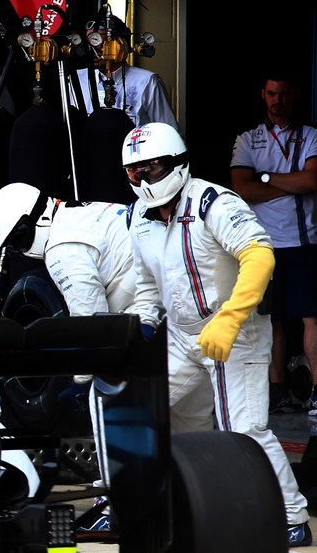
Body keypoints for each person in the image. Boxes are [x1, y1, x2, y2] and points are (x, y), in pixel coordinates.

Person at [123, 121, 311, 546]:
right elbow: (147, 288)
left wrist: (229, 317)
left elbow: (260, 255)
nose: (143, 178)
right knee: (134, 408)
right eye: (134, 171)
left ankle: (292, 516)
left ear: (176, 163)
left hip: (237, 330)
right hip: (181, 334)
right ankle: (176, 498)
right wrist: (140, 331)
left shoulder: (213, 201)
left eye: (151, 168)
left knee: (244, 431)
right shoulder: (138, 215)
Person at [0, 181, 137, 530]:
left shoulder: (61, 249)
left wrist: (81, 380)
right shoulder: (81, 211)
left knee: (102, 394)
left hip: (151, 311)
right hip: (168, 304)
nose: (20, 250)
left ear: (32, 222)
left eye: (17, 240)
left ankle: (117, 502)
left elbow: (92, 326)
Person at [228, 73, 317, 414]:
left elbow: (311, 179)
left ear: (293, 95)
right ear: (262, 95)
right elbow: (241, 188)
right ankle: (276, 391)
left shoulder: (310, 136)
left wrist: (263, 177)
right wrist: (289, 184)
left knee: (311, 318)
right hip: (261, 245)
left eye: (282, 94)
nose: (277, 100)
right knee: (270, 320)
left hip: (304, 242)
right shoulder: (248, 139)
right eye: (271, 94)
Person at [70, 14, 178, 129]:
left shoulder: (147, 81)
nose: (92, 49)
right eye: (89, 42)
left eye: (99, 41)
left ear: (120, 44)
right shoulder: (76, 79)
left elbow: (168, 130)